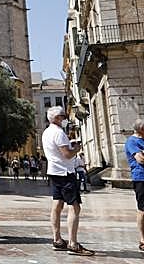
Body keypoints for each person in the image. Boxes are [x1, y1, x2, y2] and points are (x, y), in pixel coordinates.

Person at [42, 106, 94, 256]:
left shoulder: (46, 132)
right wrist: (76, 148)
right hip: (65, 173)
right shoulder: (58, 133)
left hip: (54, 171)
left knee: (57, 205)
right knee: (74, 206)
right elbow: (67, 154)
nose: (65, 119)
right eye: (63, 116)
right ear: (57, 118)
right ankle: (73, 243)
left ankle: (57, 239)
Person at [125, 119, 144, 253]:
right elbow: (140, 159)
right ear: (141, 129)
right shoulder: (132, 141)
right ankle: (143, 240)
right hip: (142, 178)